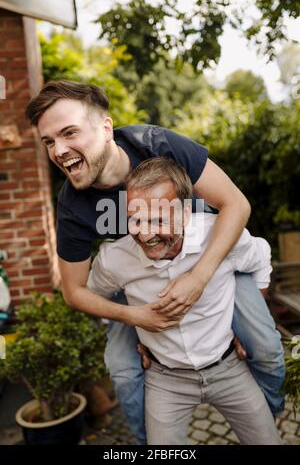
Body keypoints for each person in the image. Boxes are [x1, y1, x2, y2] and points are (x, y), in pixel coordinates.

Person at [26, 80, 284, 444]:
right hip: (135, 276)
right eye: (49, 141)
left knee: (265, 345)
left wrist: (199, 278)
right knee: (123, 371)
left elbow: (236, 205)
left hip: (210, 257)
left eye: (69, 133)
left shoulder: (156, 144)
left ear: (105, 128)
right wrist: (137, 319)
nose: (59, 150)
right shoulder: (73, 207)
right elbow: (74, 291)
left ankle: (269, 414)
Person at [88, 157, 282, 445]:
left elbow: (261, 257)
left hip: (229, 368)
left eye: (158, 219)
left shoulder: (219, 235)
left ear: (185, 213)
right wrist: (130, 327)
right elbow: (95, 297)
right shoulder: (114, 259)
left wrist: (251, 321)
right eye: (135, 218)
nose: (145, 233)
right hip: (165, 380)